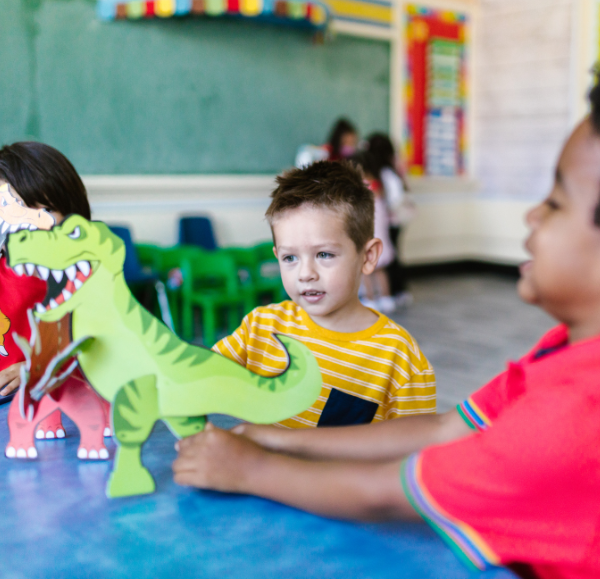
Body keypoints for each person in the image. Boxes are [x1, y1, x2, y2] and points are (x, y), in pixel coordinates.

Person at [173, 85, 600, 578]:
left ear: (367, 256)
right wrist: (277, 441)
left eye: (555, 203)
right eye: (290, 257)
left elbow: (394, 494)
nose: (530, 215)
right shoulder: (556, 354)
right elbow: (442, 427)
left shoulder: (573, 413)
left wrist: (251, 468)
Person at [212, 160, 436, 428]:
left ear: (368, 256)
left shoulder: (398, 357)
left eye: (324, 254)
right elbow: (200, 379)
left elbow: (415, 453)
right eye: (290, 257)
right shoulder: (260, 329)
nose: (305, 273)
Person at [0, 142, 92, 435]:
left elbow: (99, 346)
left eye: (48, 208)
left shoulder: (81, 276)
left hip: (49, 405)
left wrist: (40, 367)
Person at [366, 133, 415, 308]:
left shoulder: (384, 171)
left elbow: (394, 197)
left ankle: (394, 293)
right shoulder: (390, 168)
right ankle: (395, 292)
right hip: (395, 220)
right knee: (392, 257)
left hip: (391, 220)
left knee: (389, 259)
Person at [352, 152, 396, 315]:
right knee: (381, 269)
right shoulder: (378, 183)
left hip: (368, 233)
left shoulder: (360, 187)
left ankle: (370, 300)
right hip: (381, 234)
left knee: (366, 269)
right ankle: (387, 298)